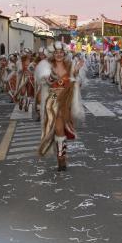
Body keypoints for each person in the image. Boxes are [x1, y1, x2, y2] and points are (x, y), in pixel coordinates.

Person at [35, 42, 86, 172]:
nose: (58, 55)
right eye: (56, 52)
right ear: (53, 54)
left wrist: (76, 72)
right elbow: (47, 82)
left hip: (66, 100)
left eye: (61, 53)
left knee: (62, 130)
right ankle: (61, 157)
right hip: (52, 100)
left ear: (65, 54)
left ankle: (61, 156)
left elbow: (77, 83)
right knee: (57, 128)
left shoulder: (70, 66)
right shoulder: (47, 66)